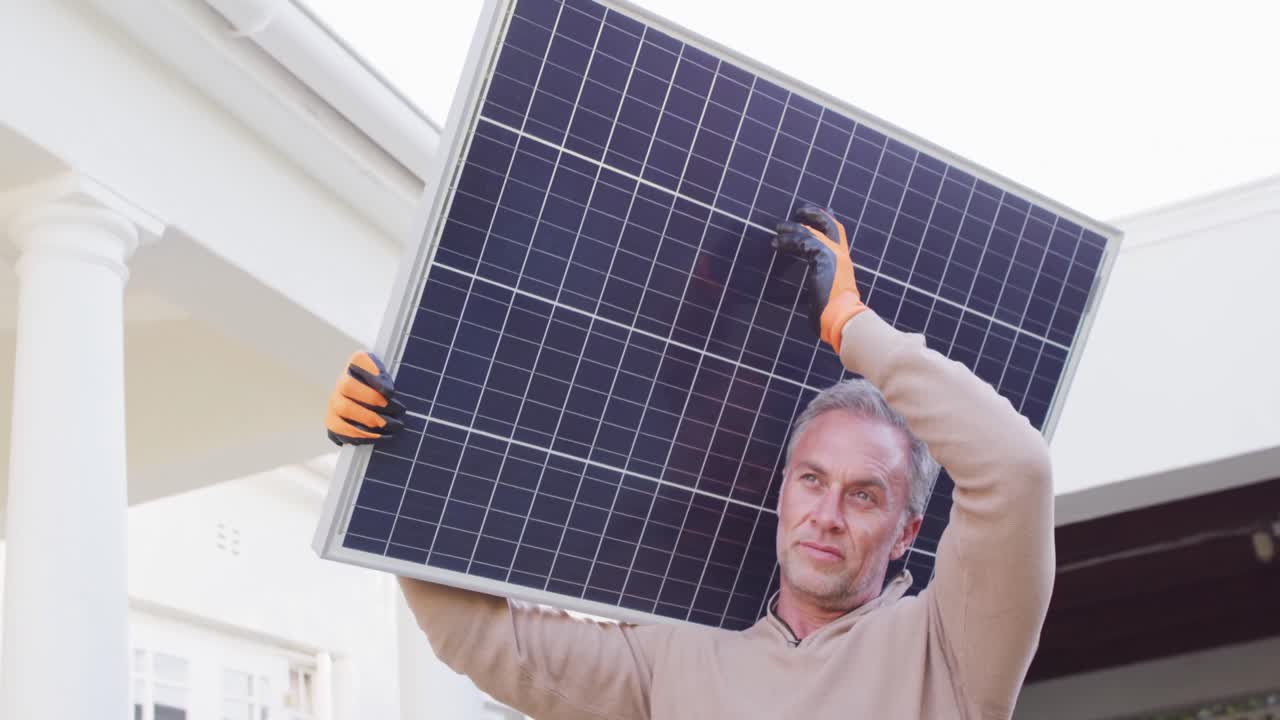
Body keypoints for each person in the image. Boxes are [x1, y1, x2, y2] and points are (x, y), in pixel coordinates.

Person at [324, 204, 1055, 719]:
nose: (826, 514)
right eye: (812, 480)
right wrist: (384, 460)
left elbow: (1015, 468)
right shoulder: (674, 664)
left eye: (865, 495)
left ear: (904, 532)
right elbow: (479, 637)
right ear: (784, 493)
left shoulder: (951, 649)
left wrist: (847, 323)